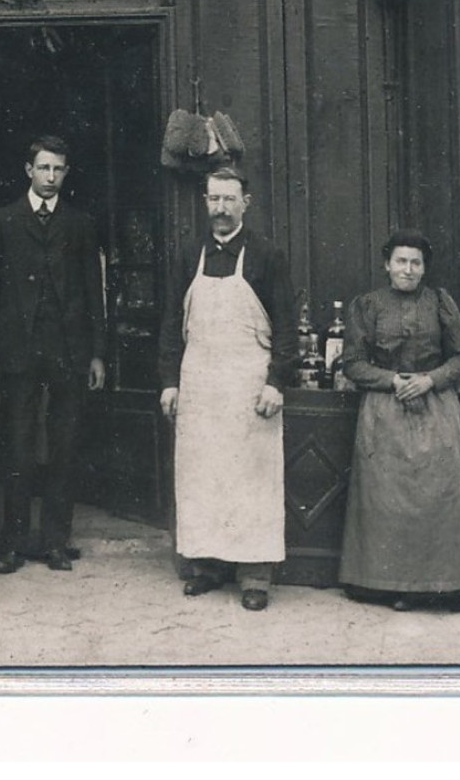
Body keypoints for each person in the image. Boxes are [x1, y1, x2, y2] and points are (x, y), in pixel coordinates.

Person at [338, 229, 460, 620]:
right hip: (385, 411)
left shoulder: (440, 303)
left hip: (435, 408)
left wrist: (429, 380)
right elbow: (353, 364)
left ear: (424, 268)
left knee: (442, 497)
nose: (408, 270)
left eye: (415, 263)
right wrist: (393, 380)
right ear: (387, 264)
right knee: (390, 505)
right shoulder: (368, 306)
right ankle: (403, 588)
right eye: (401, 261)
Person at [156, 166, 296, 611]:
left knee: (251, 481)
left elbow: (288, 328)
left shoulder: (267, 256)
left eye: (228, 200)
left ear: (245, 204)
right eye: (213, 199)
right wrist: (169, 382)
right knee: (204, 477)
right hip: (199, 383)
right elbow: (169, 327)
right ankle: (207, 566)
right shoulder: (187, 254)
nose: (220, 208)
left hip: (248, 386)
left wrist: (277, 381)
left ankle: (255, 576)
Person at [0, 136, 106, 574]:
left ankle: (55, 539)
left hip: (69, 350)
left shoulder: (80, 223)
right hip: (18, 351)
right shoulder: (3, 220)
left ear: (66, 173)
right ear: (28, 170)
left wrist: (97, 355)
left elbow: (94, 293)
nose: (51, 177)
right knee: (18, 445)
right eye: (44, 168)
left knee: (65, 446)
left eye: (59, 170)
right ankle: (12, 542)